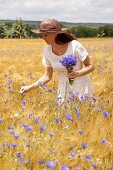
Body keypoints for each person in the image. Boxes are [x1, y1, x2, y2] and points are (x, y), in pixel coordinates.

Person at [20, 19, 94, 105]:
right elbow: (47, 76)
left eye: (46, 35)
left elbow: (90, 65)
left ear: (55, 33)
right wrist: (30, 87)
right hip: (62, 89)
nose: (43, 38)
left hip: (81, 87)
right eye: (42, 35)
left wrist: (77, 73)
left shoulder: (74, 45)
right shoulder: (47, 50)